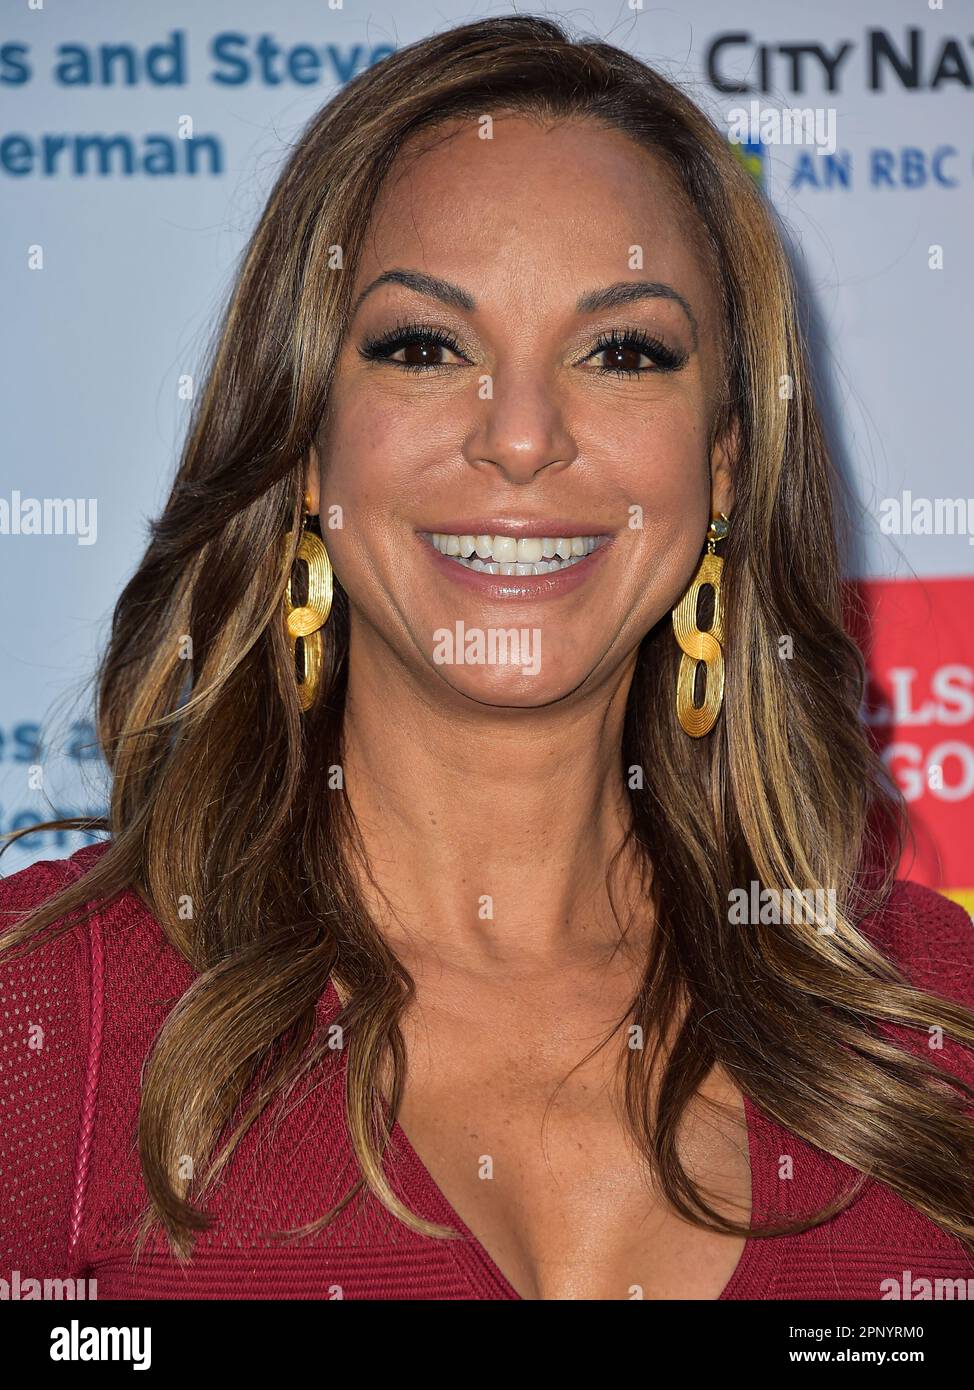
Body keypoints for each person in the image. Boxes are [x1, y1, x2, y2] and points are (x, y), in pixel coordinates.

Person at [2, 15, 973, 1302]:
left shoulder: (927, 1028)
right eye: (424, 347)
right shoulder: (47, 1019)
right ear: (306, 447)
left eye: (621, 352)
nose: (519, 437)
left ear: (723, 467)